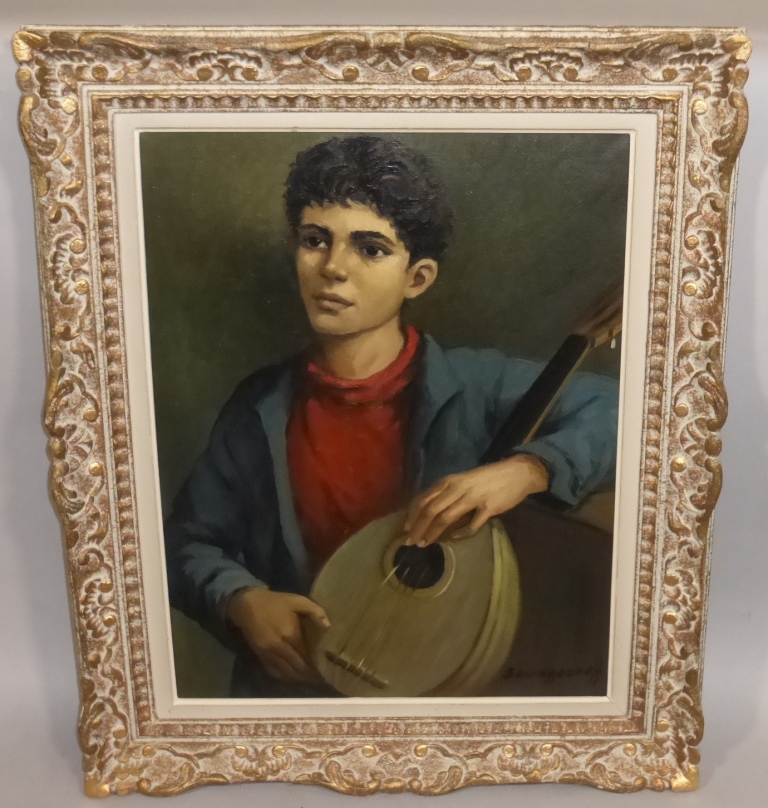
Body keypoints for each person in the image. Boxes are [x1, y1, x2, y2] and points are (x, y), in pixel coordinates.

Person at [164, 135, 619, 697]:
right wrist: (240, 598)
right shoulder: (260, 406)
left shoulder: (474, 383)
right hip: (294, 689)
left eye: (370, 249)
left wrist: (529, 470)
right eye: (315, 240)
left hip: (438, 689)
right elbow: (185, 542)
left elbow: (617, 411)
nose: (334, 268)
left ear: (417, 278)